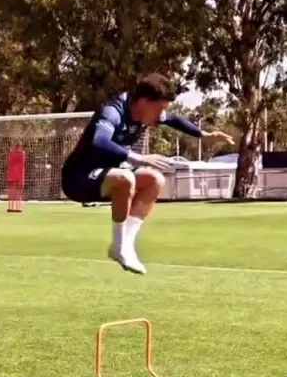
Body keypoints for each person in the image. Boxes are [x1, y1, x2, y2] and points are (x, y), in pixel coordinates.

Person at [61, 73, 234, 274]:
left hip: (108, 175)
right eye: (159, 108)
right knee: (124, 178)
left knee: (155, 180)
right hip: (78, 179)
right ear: (143, 102)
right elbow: (99, 141)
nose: (161, 114)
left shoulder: (145, 111)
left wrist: (204, 135)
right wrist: (138, 158)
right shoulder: (113, 111)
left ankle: (125, 245)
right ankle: (118, 247)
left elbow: (174, 120)